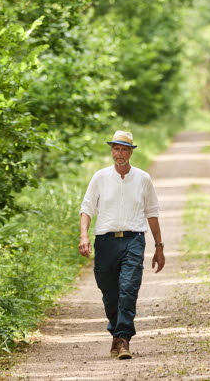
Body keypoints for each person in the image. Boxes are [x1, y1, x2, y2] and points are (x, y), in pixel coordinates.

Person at [78, 130, 165, 360]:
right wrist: (84, 236)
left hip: (134, 240)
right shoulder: (100, 177)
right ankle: (116, 333)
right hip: (105, 242)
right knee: (109, 293)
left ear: (130, 152)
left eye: (124, 149)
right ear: (112, 151)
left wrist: (159, 245)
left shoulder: (143, 179)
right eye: (116, 149)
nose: (119, 153)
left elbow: (152, 213)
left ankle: (123, 337)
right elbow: (87, 208)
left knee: (128, 289)